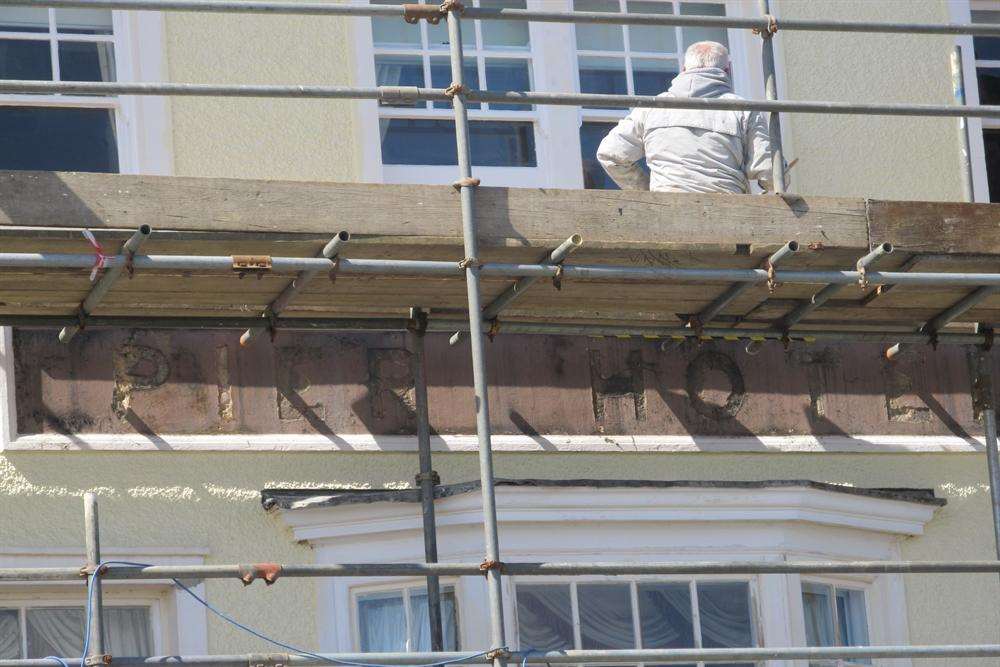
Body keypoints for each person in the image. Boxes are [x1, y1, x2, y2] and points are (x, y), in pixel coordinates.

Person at [596, 40, 785, 194]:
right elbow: (769, 174)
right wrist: (778, 177)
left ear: (684, 69)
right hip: (727, 216)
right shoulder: (743, 110)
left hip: (668, 215)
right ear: (727, 71)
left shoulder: (652, 107)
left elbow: (609, 154)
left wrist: (648, 192)